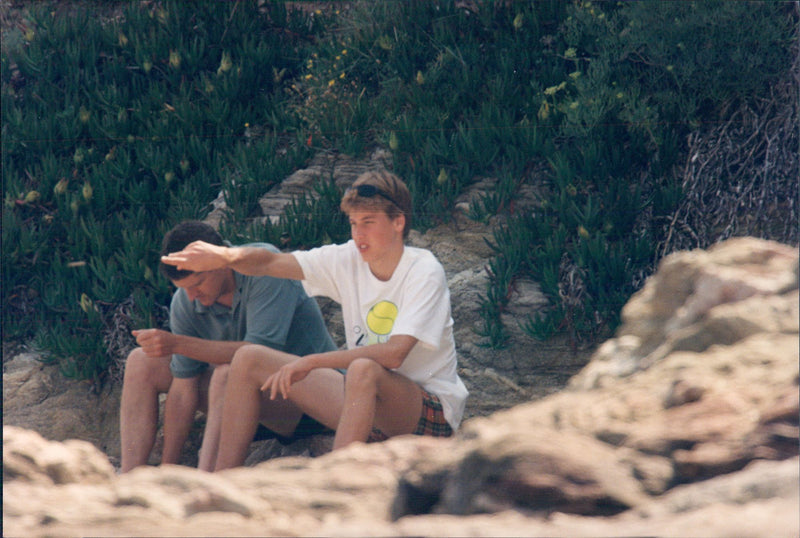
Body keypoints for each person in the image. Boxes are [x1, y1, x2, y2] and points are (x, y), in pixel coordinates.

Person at [161, 170, 468, 471]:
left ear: (398, 221)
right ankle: (222, 483)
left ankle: (334, 481)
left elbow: (394, 354)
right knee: (247, 358)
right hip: (364, 403)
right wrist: (226, 258)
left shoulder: (423, 270)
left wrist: (313, 361)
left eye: (369, 223)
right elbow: (270, 262)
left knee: (363, 369)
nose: (358, 234)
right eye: (353, 224)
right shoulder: (348, 259)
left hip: (427, 413)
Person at [119, 220, 336, 473]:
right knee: (141, 361)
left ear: (218, 262)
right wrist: (169, 470)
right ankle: (129, 477)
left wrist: (179, 344)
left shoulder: (263, 270)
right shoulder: (185, 302)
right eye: (184, 288)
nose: (191, 296)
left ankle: (210, 483)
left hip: (307, 405)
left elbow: (256, 356)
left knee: (228, 374)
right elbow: (183, 389)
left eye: (197, 284)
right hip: (242, 410)